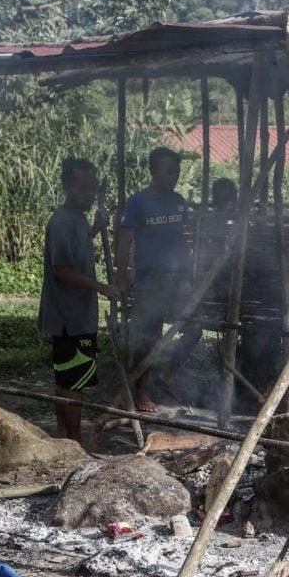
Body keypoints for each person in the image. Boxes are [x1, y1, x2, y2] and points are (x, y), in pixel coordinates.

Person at [37, 157, 120, 446]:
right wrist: (102, 287)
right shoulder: (61, 222)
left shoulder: (79, 220)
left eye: (92, 189)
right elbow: (62, 270)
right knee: (73, 382)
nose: (88, 195)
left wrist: (95, 228)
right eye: (81, 189)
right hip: (69, 318)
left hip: (76, 316)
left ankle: (66, 438)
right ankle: (73, 439)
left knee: (70, 380)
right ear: (67, 187)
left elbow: (78, 248)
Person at [115, 147, 198, 412]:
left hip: (176, 279)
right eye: (168, 171)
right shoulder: (138, 202)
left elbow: (183, 242)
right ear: (154, 171)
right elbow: (124, 240)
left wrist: (187, 276)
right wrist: (121, 276)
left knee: (194, 326)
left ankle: (169, 374)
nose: (173, 176)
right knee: (148, 335)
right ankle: (141, 389)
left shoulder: (178, 202)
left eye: (176, 171)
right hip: (150, 278)